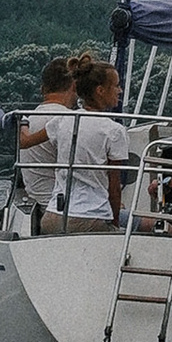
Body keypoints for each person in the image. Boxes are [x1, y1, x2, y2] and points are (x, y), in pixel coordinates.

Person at [51, 55, 133, 229]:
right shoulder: (114, 131)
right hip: (89, 217)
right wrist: (115, 223)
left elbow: (30, 141)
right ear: (100, 90)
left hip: (53, 215)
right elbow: (114, 189)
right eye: (116, 86)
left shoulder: (61, 121)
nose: (120, 90)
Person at [14, 60, 79, 226]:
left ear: (43, 89)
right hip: (65, 208)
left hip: (38, 204)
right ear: (74, 86)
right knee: (147, 223)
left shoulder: (30, 119)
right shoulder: (69, 119)